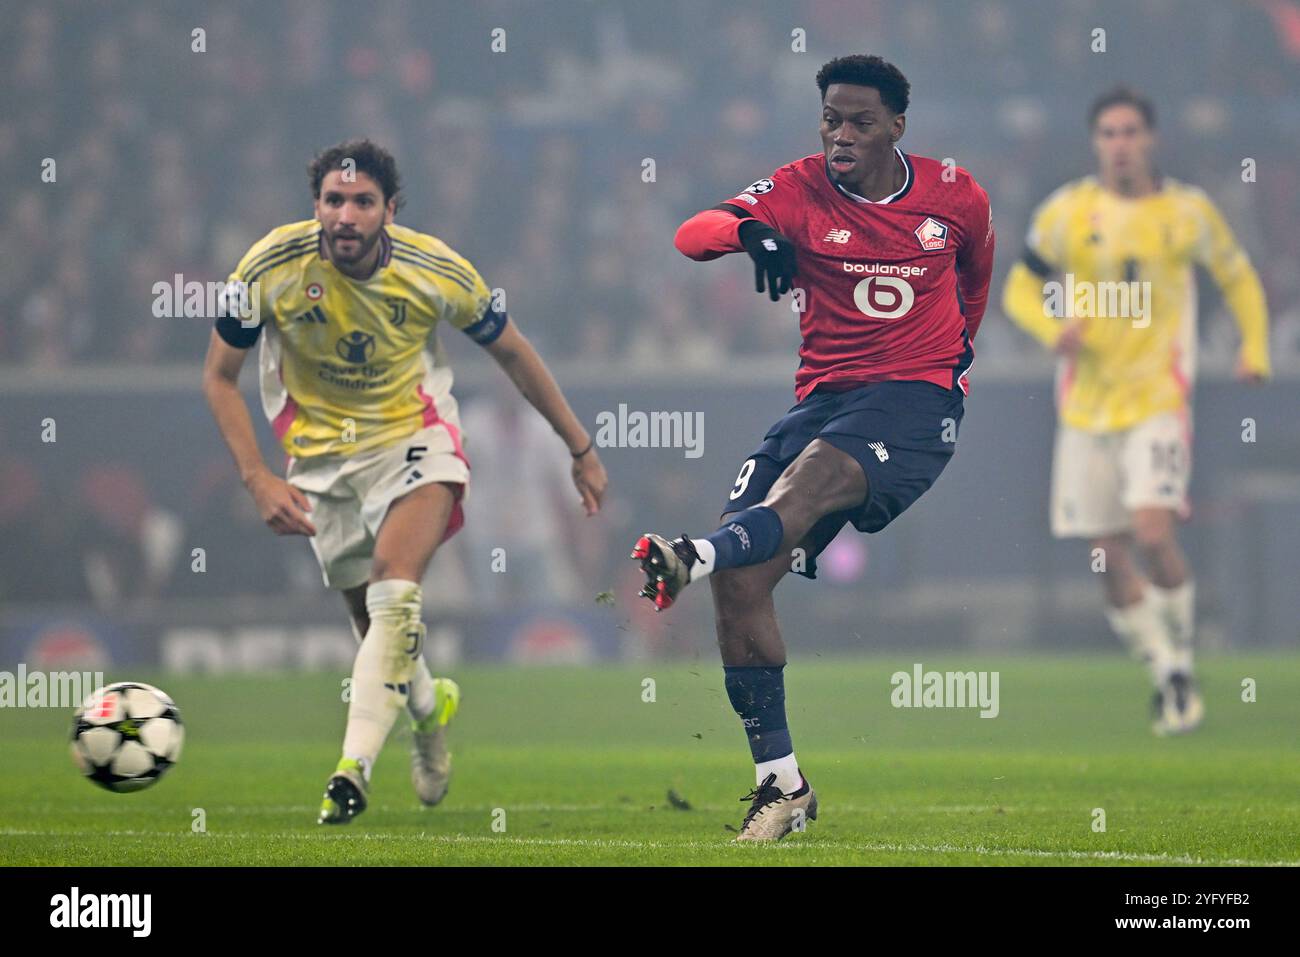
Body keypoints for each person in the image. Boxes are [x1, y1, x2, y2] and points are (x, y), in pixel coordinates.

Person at [632, 55, 994, 840]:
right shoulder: (798, 188)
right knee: (744, 579)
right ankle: (783, 784)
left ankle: (693, 552)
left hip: (915, 400)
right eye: (831, 119)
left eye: (861, 122)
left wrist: (954, 361)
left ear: (897, 126)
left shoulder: (955, 194)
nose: (841, 135)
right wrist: (752, 232)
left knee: (811, 480)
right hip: (825, 399)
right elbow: (692, 235)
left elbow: (975, 277)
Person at [202, 139, 607, 824]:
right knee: (376, 626)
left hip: (415, 442)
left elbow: (512, 350)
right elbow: (218, 375)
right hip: (321, 460)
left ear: (390, 210)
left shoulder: (433, 269)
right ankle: (428, 711)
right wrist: (256, 478)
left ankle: (349, 770)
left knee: (394, 591)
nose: (346, 215)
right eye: (334, 200)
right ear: (317, 207)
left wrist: (580, 445)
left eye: (362, 202)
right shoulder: (270, 265)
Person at [1002, 88, 1269, 735]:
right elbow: (1018, 287)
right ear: (1097, 142)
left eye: (1130, 132)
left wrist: (1254, 345)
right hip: (1086, 411)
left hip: (1157, 399)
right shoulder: (1067, 211)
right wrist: (1050, 327)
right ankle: (1165, 670)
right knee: (1108, 555)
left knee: (1153, 532)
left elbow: (1236, 274)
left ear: (1150, 139)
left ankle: (1180, 657)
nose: (1120, 144)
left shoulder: (1187, 212)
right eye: (1109, 133)